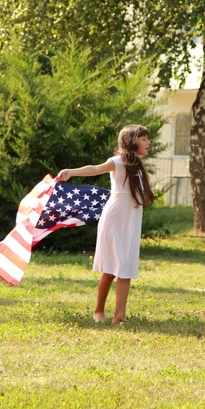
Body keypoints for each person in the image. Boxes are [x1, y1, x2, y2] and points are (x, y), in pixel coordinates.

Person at [57, 124, 154, 325]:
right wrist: (71, 172)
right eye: (144, 139)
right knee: (111, 268)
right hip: (115, 218)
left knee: (125, 266)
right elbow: (95, 169)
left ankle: (119, 317)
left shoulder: (138, 167)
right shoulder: (117, 162)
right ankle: (98, 311)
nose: (148, 142)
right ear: (132, 140)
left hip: (131, 219)